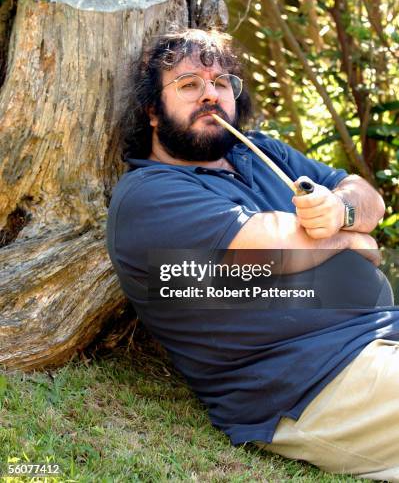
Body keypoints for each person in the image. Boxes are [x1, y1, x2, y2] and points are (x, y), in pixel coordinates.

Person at [106, 28, 399, 481]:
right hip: (316, 384)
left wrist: (342, 209)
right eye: (189, 85)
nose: (211, 95)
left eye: (222, 83)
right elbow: (267, 244)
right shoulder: (150, 194)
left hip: (380, 337)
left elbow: (367, 197)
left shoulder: (263, 152)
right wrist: (353, 237)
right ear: (152, 112)